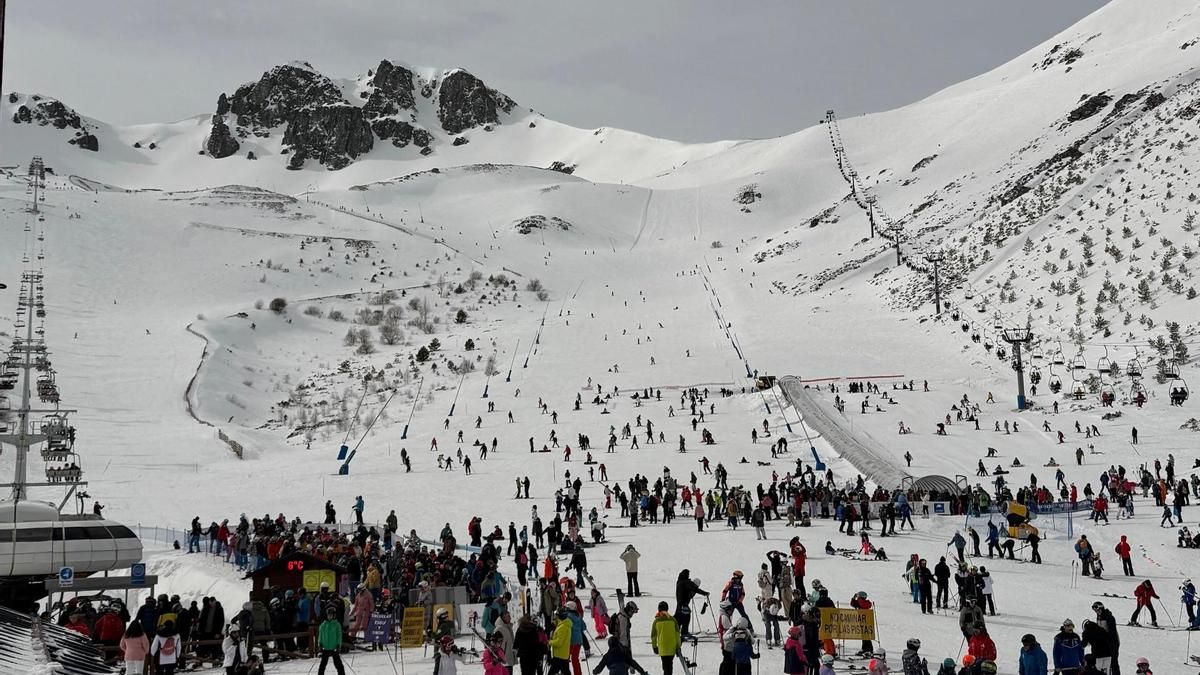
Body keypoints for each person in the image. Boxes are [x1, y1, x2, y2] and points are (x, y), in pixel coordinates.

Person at [651, 601, 681, 675]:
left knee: (665, 666)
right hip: (672, 648)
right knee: (669, 665)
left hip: (663, 648)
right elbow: (677, 634)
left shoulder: (656, 621)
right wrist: (678, 647)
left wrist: (654, 647)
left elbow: (653, 636)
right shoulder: (673, 620)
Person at [316, 607, 345, 675]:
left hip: (334, 647)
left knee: (338, 664)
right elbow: (320, 636)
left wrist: (338, 645)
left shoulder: (337, 625)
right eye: (329, 615)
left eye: (331, 615)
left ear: (334, 615)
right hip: (325, 647)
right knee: (322, 665)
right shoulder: (323, 625)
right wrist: (320, 644)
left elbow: (339, 636)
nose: (330, 616)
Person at [548, 609, 573, 675]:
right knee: (566, 672)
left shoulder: (563, 627)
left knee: (551, 673)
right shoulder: (564, 624)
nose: (555, 617)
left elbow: (559, 642)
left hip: (559, 655)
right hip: (563, 654)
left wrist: (550, 642)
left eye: (556, 615)